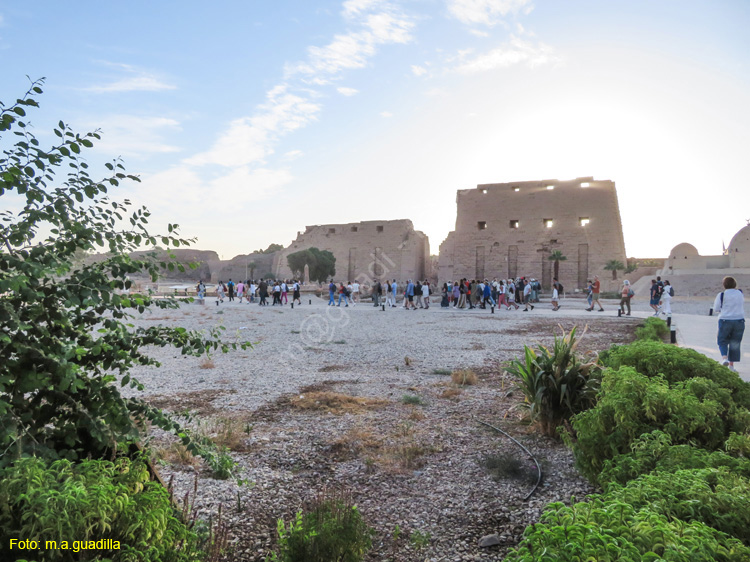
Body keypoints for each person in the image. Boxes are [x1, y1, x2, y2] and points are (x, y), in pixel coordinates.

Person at [713, 276, 745, 372]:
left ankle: (724, 358)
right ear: (735, 284)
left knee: (722, 340)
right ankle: (731, 366)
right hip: (739, 320)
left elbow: (716, 309)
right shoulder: (740, 293)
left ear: (724, 285)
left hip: (725, 320)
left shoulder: (721, 295)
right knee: (735, 343)